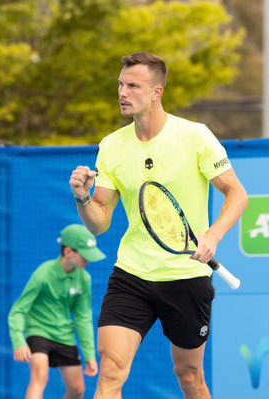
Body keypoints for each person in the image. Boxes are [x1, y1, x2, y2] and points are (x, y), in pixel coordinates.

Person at [68, 52, 248, 399]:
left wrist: (213, 235)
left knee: (189, 376)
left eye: (133, 85)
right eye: (120, 84)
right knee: (110, 374)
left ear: (156, 92)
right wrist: (82, 198)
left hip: (186, 276)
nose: (123, 92)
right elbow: (99, 224)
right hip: (132, 274)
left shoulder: (195, 136)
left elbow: (237, 194)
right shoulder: (111, 147)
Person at [8, 224, 105, 399]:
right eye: (84, 256)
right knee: (40, 376)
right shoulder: (43, 274)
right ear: (68, 252)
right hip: (38, 331)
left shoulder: (84, 279)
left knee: (77, 390)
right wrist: (18, 341)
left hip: (64, 336)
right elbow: (18, 310)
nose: (88, 261)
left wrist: (90, 355)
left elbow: (83, 318)